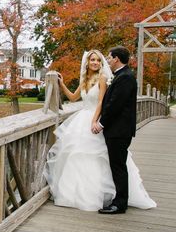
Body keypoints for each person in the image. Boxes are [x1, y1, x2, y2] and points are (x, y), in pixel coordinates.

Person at [43, 49, 156, 212]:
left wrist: (96, 121)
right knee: (77, 156)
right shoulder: (85, 79)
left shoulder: (106, 78)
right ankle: (74, 194)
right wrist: (61, 84)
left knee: (103, 160)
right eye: (92, 60)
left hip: (96, 120)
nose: (95, 62)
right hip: (83, 119)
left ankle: (106, 197)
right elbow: (73, 97)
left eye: (98, 60)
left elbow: (103, 102)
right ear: (87, 63)